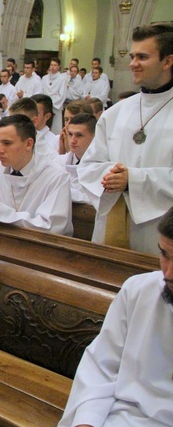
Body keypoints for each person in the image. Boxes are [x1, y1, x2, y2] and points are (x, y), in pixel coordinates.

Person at [52, 207, 173, 427]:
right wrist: (84, 422)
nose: (168, 273)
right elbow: (102, 363)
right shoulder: (138, 290)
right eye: (164, 255)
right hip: (121, 422)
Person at [77, 22, 173, 255]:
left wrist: (133, 180)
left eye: (142, 57)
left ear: (168, 61)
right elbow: (88, 166)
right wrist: (110, 176)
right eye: (132, 56)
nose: (132, 64)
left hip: (160, 230)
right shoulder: (116, 112)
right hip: (111, 222)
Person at [0, 114, 73, 235]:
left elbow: (52, 227)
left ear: (29, 144)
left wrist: (0, 212)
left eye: (7, 143)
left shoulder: (56, 177)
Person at [55, 113, 95, 204]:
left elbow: (95, 200)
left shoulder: (101, 166)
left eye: (79, 135)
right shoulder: (58, 162)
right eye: (70, 134)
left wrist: (63, 191)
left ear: (94, 137)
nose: (72, 140)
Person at [42, 58, 68, 134]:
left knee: (55, 130)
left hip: (55, 107)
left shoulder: (62, 79)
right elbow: (42, 92)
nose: (52, 67)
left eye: (55, 65)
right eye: (51, 65)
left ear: (59, 67)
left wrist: (50, 103)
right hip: (45, 107)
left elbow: (62, 95)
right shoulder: (45, 78)